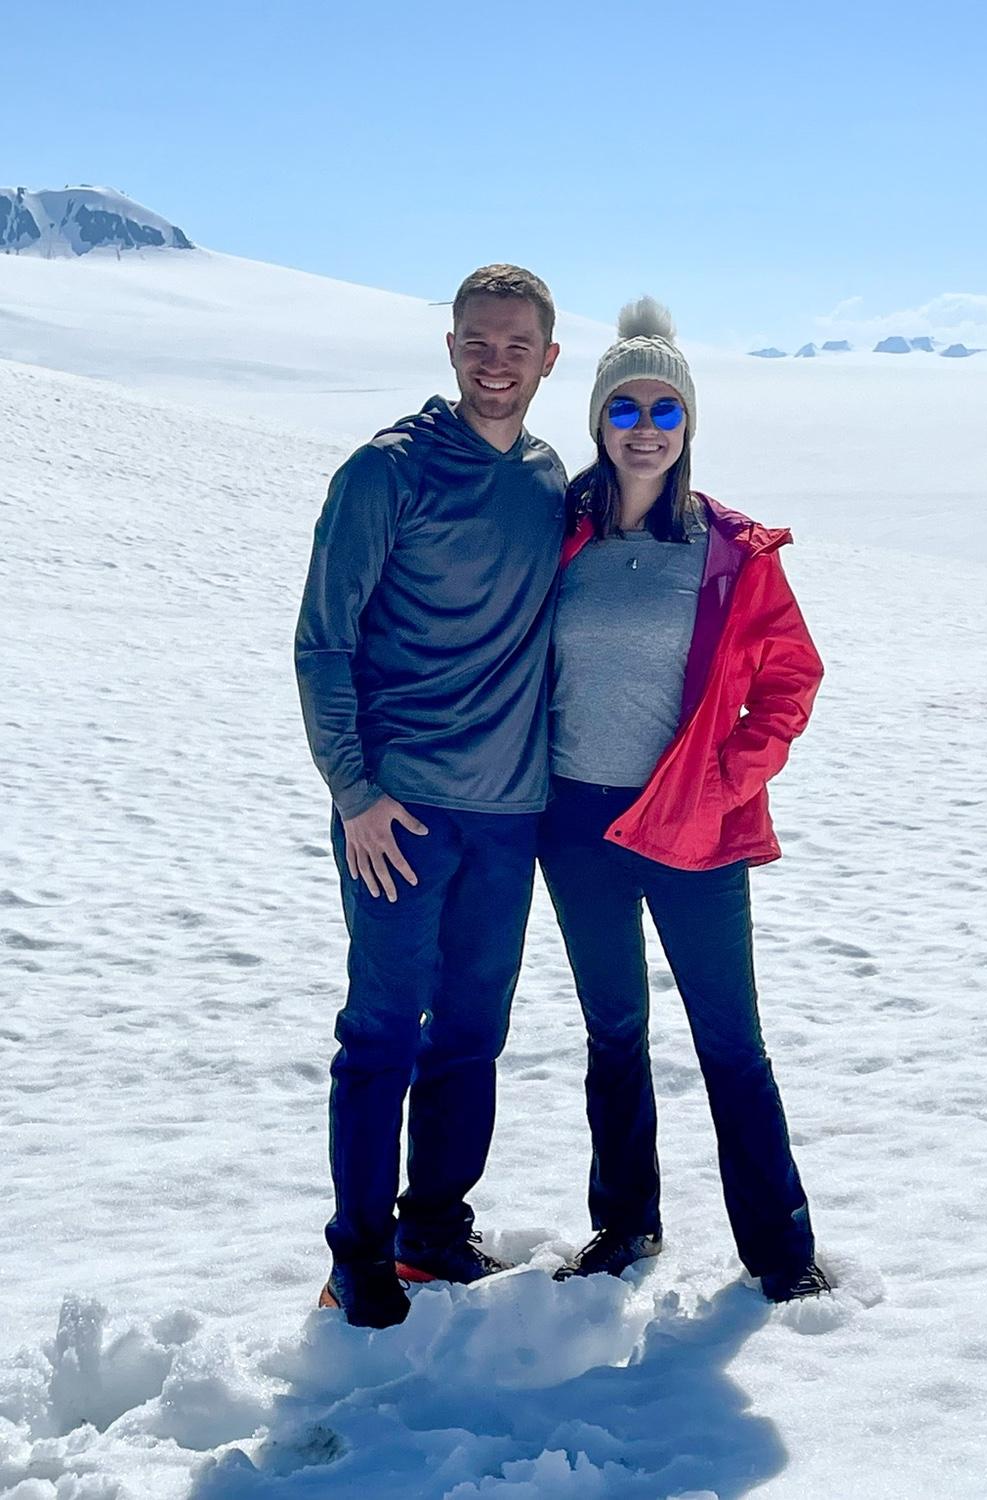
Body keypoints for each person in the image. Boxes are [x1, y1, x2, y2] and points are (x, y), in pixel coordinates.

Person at [540, 299, 829, 1302]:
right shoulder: (558, 531)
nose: (647, 428)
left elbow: (791, 679)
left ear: (690, 424)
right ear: (598, 422)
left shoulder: (730, 553)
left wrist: (730, 777)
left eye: (666, 409)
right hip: (576, 825)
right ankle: (625, 1228)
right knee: (613, 1034)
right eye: (626, 409)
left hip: (696, 833)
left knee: (729, 1041)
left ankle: (781, 1253)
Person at [294, 264, 565, 1328]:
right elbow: (323, 641)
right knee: (381, 1035)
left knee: (470, 1034)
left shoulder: (551, 480)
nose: (495, 365)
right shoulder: (386, 472)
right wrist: (353, 789)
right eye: (477, 343)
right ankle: (356, 1257)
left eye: (516, 348)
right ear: (449, 347)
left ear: (549, 358)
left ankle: (432, 1232)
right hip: (396, 813)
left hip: (509, 814)